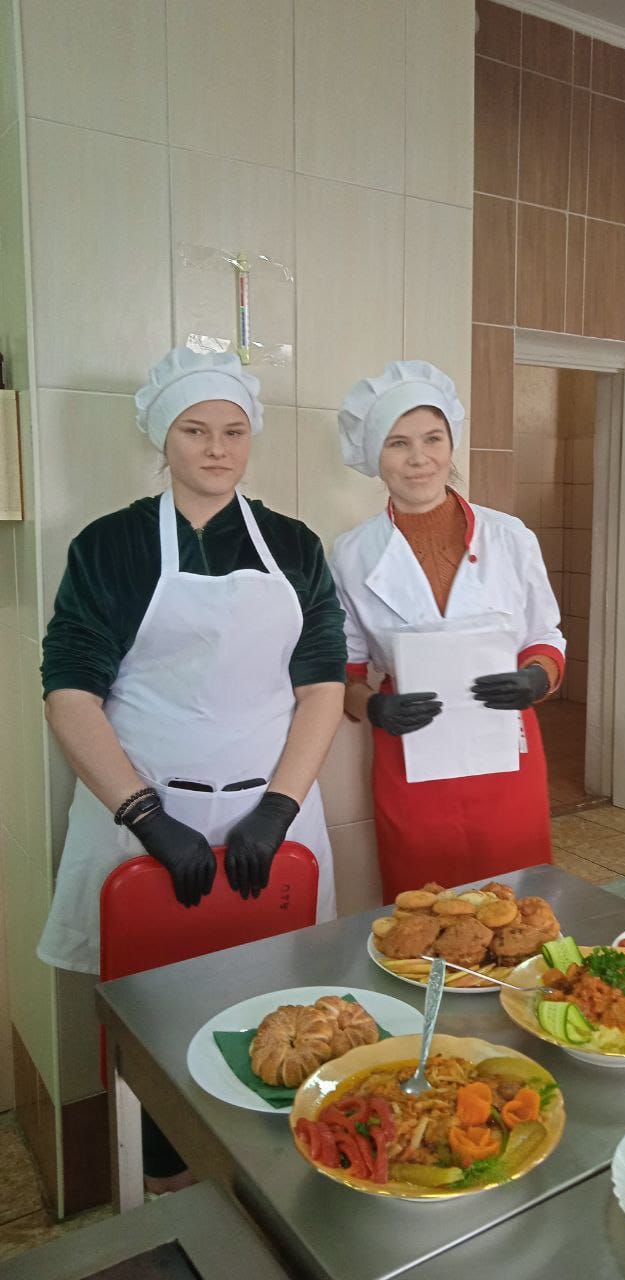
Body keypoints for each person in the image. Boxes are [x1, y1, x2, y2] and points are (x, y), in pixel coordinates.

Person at [37, 347, 346, 1189]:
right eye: (195, 430)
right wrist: (145, 816)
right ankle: (160, 1176)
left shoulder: (293, 545)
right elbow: (70, 692)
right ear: (162, 438)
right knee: (153, 1010)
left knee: (274, 1003)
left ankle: (267, 1170)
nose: (216, 448)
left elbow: (322, 683)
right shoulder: (111, 545)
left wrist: (278, 809)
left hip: (273, 817)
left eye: (233, 432)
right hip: (144, 819)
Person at [330, 360, 565, 902]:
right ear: (375, 456)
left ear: (451, 445)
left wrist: (535, 678)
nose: (419, 459)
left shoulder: (510, 537)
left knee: (518, 905)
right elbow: (346, 670)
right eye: (398, 443)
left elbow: (545, 638)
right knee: (421, 911)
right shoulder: (351, 553)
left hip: (505, 757)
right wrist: (374, 707)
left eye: (433, 439)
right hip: (411, 759)